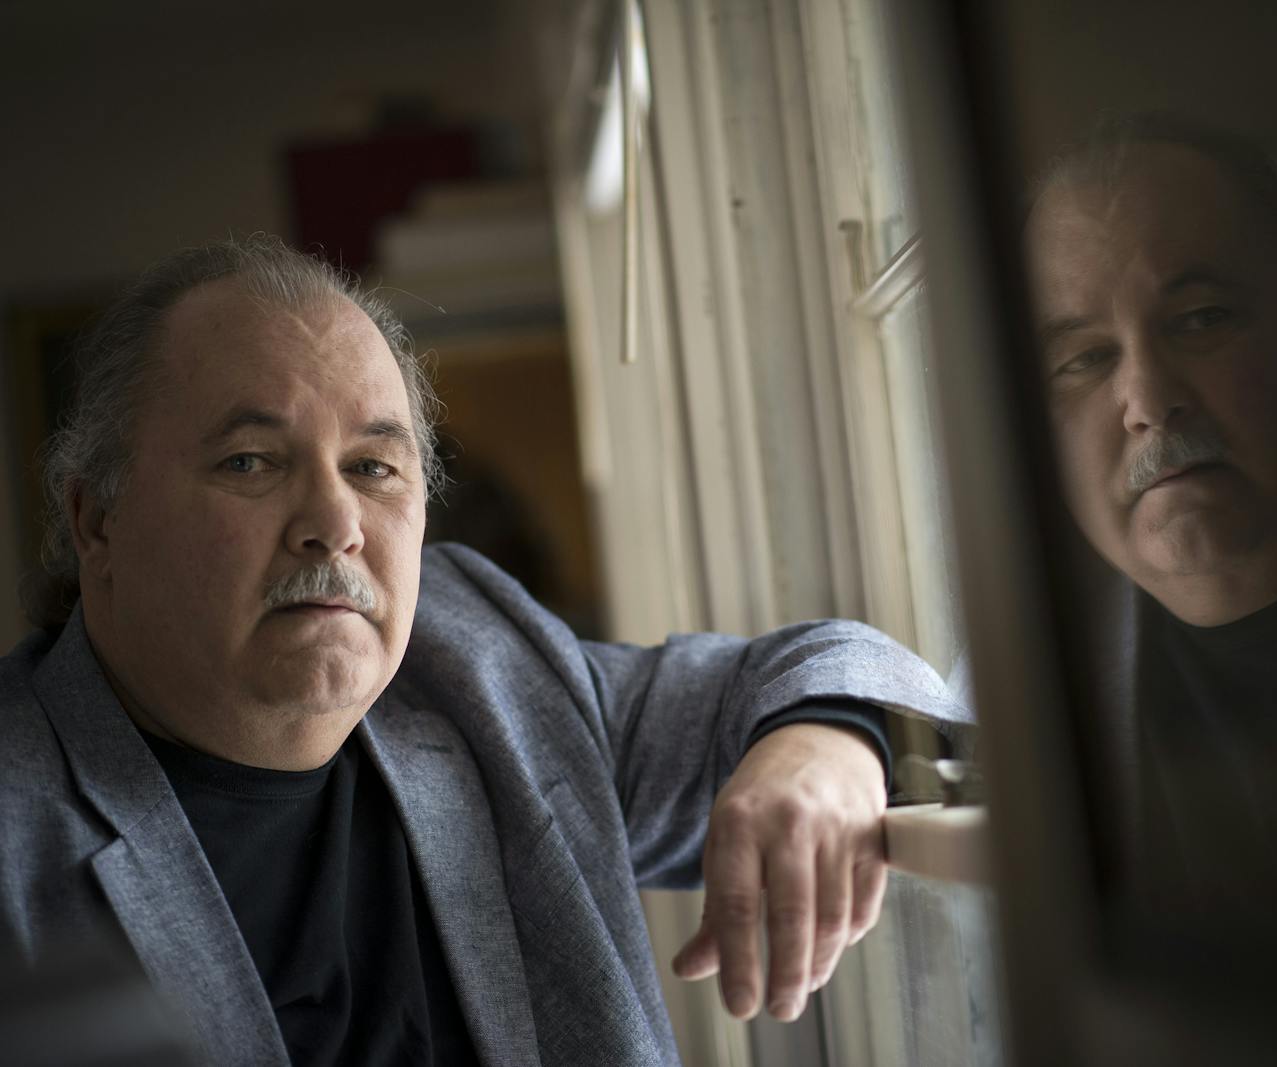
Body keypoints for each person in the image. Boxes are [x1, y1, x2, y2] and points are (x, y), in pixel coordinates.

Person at [0, 237, 962, 1066]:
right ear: (99, 522)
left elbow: (844, 667)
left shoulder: (478, 662)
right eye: (250, 462)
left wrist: (827, 744)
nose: (335, 523)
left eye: (374, 467)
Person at [1020, 113, 1277, 944]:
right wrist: (832, 740)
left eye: (1202, 318)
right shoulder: (1036, 659)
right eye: (1085, 359)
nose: (1148, 401)